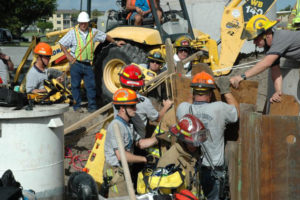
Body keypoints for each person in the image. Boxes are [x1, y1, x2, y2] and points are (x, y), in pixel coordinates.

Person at [176, 72, 239, 200]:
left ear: (194, 92)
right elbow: (236, 113)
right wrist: (226, 91)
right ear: (210, 94)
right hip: (213, 171)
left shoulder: (183, 109)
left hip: (191, 170)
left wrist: (192, 91)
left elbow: (189, 102)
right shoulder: (219, 108)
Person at [59, 11, 125, 113]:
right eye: (81, 23)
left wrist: (115, 42)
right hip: (75, 64)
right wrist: (68, 56)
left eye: (85, 22)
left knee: (91, 86)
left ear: (88, 22)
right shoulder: (73, 33)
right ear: (78, 23)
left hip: (88, 64)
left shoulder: (93, 32)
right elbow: (62, 44)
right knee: (75, 85)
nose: (83, 24)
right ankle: (77, 107)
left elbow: (105, 36)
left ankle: (92, 107)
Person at [229, 14, 300, 103]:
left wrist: (241, 76)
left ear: (266, 34)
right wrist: (278, 91)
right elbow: (275, 69)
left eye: (256, 38)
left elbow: (266, 63)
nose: (254, 42)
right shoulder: (270, 47)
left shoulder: (280, 38)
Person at [104, 88, 158, 197]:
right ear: (122, 108)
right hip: (115, 172)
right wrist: (144, 159)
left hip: (125, 169)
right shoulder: (116, 126)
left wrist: (159, 138)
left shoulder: (128, 125)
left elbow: (141, 143)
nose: (136, 108)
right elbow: (121, 156)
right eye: (132, 106)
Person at [156, 114, 208, 198]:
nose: (197, 146)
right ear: (183, 140)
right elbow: (163, 196)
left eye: (199, 142)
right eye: (193, 143)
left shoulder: (192, 155)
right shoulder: (168, 161)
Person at [118, 63, 173, 138]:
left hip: (121, 135)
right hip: (137, 141)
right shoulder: (144, 102)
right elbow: (158, 118)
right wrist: (166, 106)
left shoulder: (117, 95)